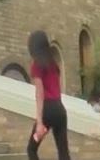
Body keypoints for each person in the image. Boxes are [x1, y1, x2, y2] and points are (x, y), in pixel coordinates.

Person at [27, 30, 71, 160]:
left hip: (47, 109)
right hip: (59, 108)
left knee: (31, 149)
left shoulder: (37, 65)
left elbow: (39, 93)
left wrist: (39, 121)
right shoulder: (53, 64)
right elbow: (58, 86)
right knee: (63, 152)